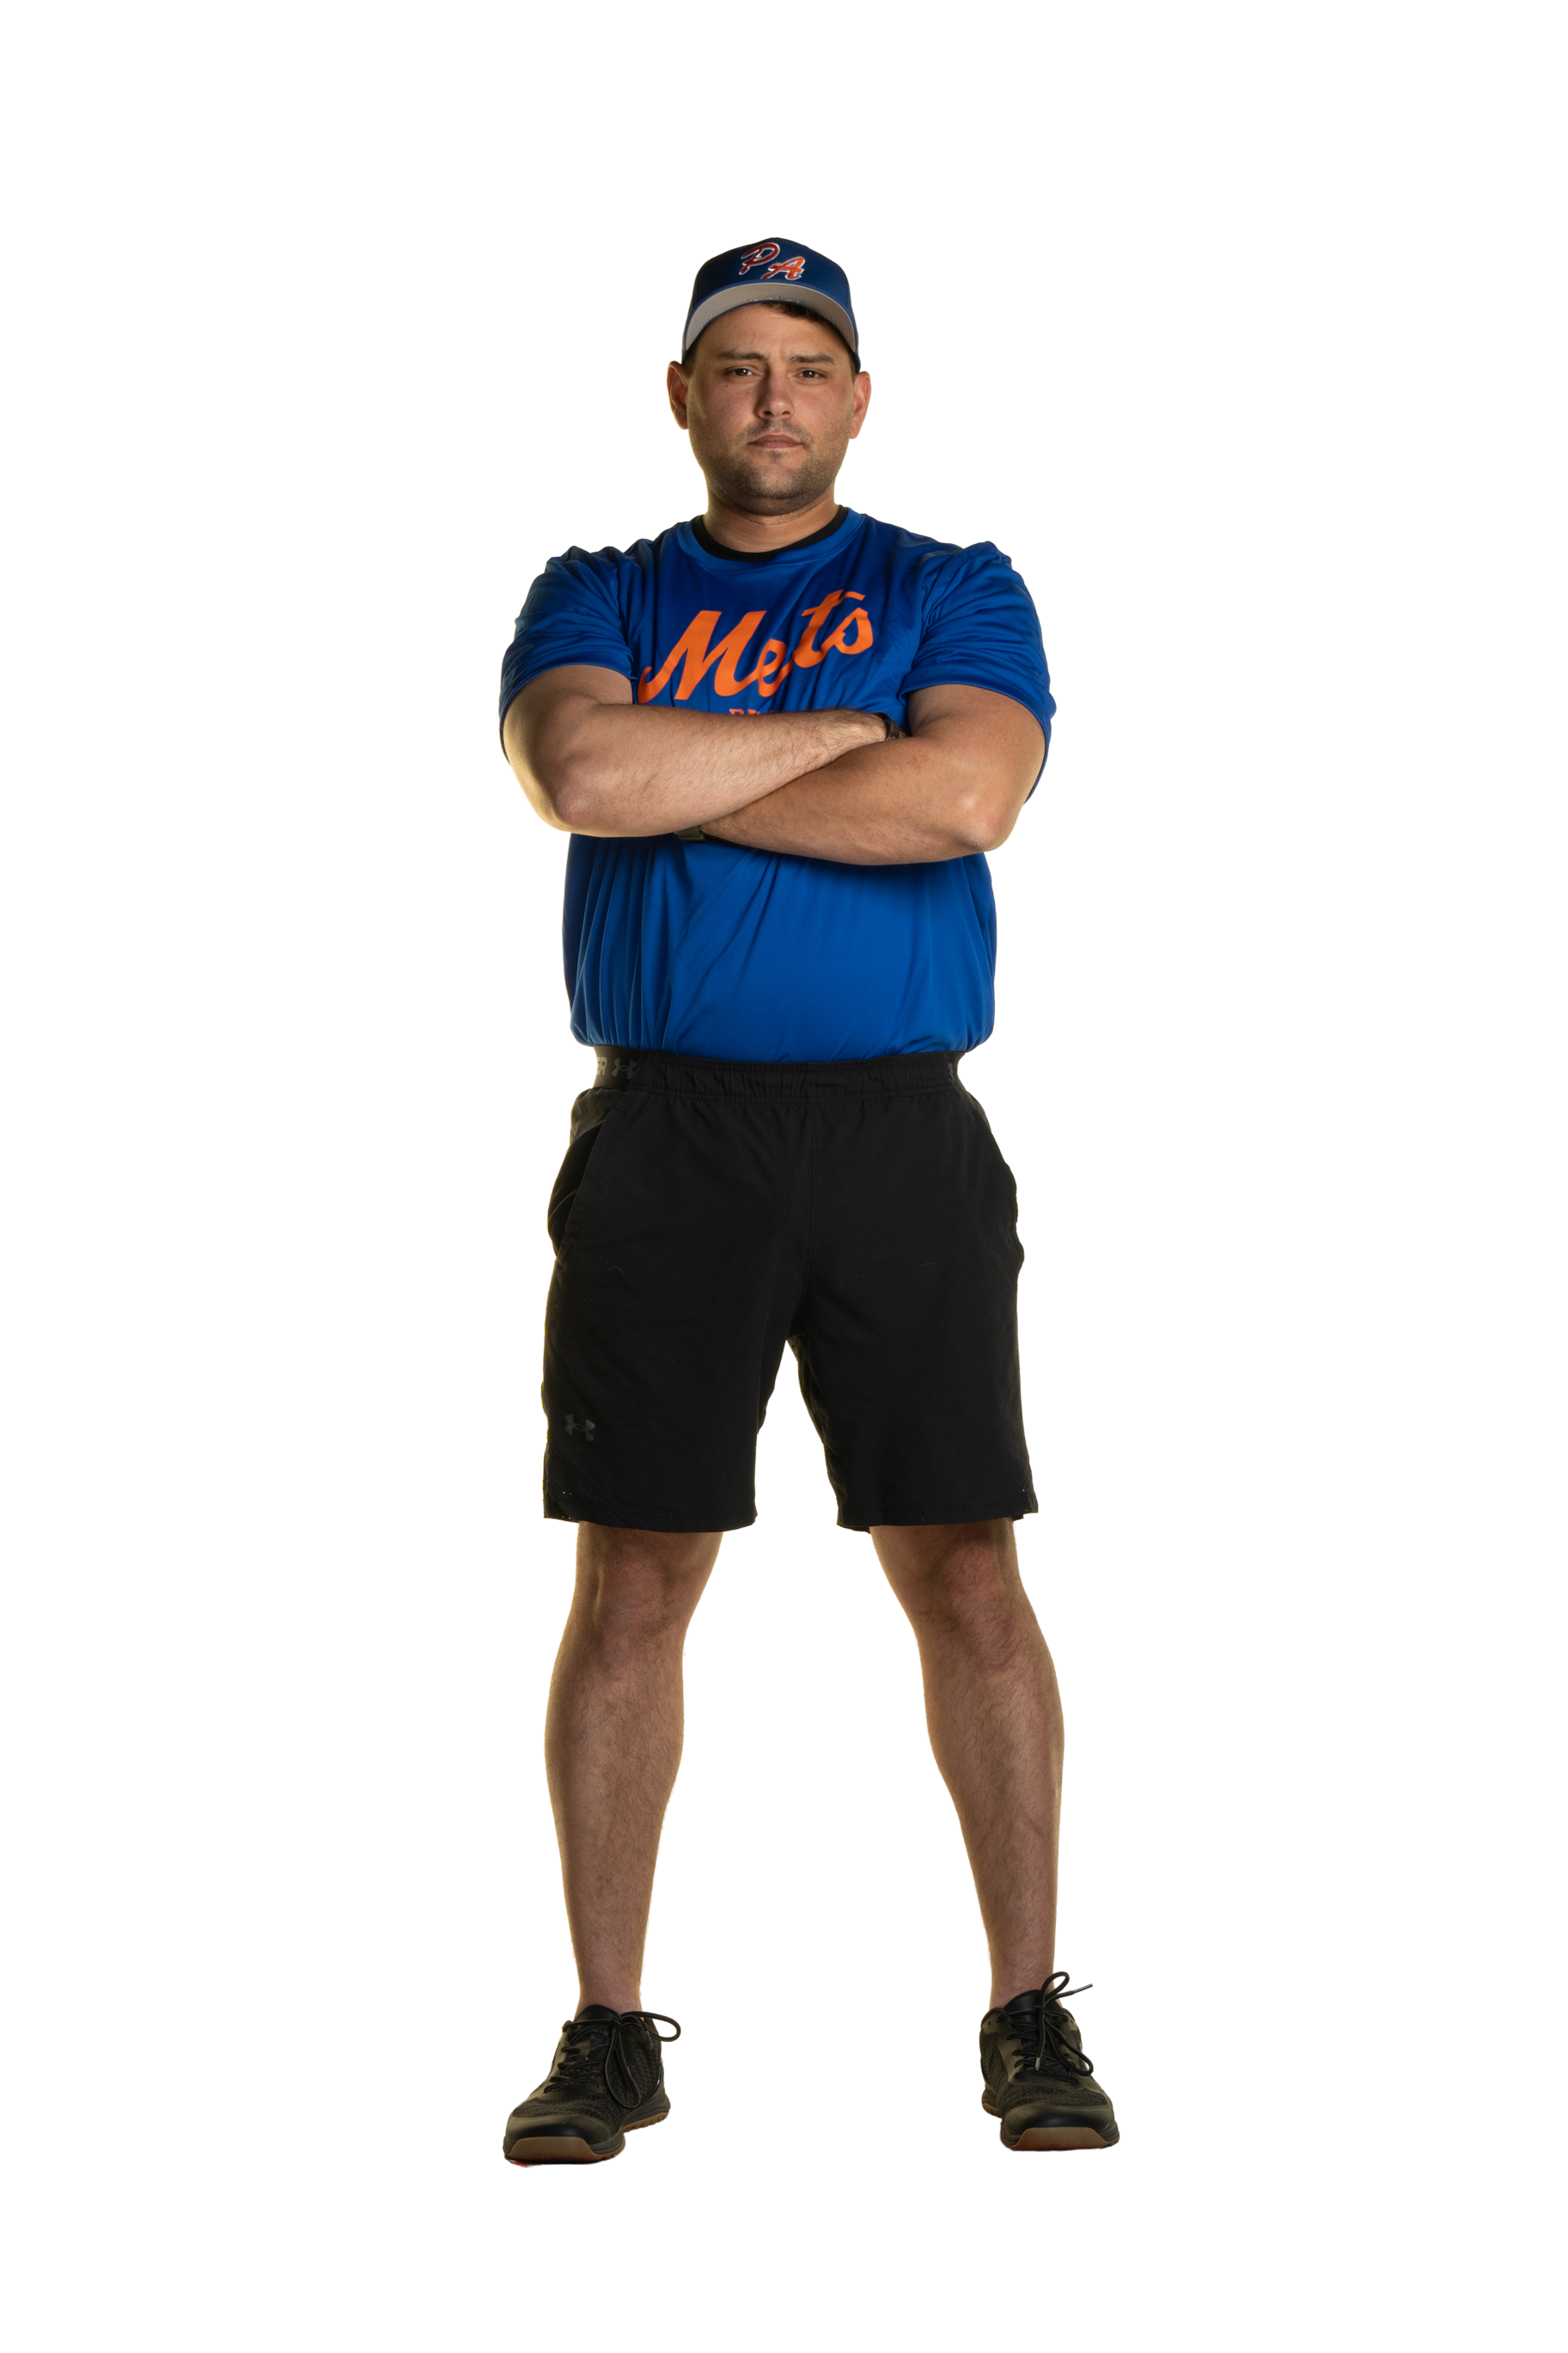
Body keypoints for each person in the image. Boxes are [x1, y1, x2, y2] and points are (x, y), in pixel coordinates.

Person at [497, 239, 1120, 2164]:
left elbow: (969, 802)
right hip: (662, 1132)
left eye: (807, 365)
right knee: (633, 1582)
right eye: (735, 366)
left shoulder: (954, 583)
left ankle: (1030, 2007)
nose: (772, 396)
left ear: (857, 400)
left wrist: (683, 777)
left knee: (968, 1572)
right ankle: (609, 2028)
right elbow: (574, 767)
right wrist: (853, 740)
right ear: (681, 397)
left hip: (899, 1133)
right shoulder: (595, 588)